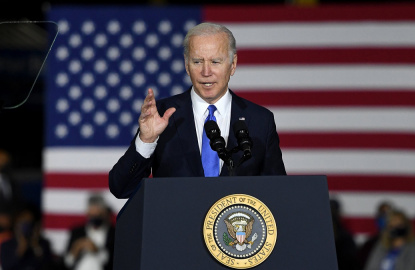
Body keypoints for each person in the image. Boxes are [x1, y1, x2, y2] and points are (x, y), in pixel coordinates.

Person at [109, 22, 286, 199]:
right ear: (187, 66)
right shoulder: (163, 115)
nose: (206, 72)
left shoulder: (260, 120)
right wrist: (146, 140)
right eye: (197, 62)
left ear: (233, 65)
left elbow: (278, 194)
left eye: (215, 61)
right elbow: (122, 188)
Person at [63, 194, 115, 270]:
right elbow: (67, 263)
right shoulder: (77, 232)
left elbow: (112, 261)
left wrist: (96, 250)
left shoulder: (112, 234)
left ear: (104, 213)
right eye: (92, 215)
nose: (94, 218)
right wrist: (75, 250)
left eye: (98, 215)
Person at [0, 203, 54, 270]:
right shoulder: (7, 245)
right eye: (22, 222)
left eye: (28, 223)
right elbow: (7, 267)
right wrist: (20, 250)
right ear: (16, 223)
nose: (24, 227)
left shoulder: (43, 244)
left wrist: (36, 246)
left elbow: (48, 266)